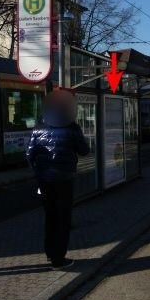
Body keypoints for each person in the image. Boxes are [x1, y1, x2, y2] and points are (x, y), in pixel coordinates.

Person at [26, 90, 89, 270]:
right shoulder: (72, 128)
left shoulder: (38, 128)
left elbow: (29, 155)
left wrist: (38, 173)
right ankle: (58, 259)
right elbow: (84, 151)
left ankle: (49, 253)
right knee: (63, 219)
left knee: (50, 216)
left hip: (45, 180)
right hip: (64, 179)